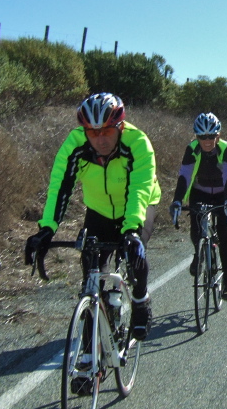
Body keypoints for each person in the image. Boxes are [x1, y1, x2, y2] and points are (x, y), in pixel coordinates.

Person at [24, 93, 161, 339]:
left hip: (138, 206)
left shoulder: (138, 142)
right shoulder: (75, 145)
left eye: (107, 131)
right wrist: (46, 229)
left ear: (120, 127)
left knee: (135, 256)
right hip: (99, 211)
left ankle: (140, 299)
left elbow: (140, 190)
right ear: (84, 130)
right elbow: (60, 187)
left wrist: (131, 231)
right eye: (93, 133)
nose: (101, 140)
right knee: (91, 276)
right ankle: (88, 353)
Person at [170, 112, 227, 300]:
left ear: (218, 135)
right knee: (196, 229)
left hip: (224, 194)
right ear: (196, 137)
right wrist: (177, 201)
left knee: (224, 232)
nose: (207, 141)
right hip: (200, 191)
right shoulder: (191, 150)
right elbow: (184, 176)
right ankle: (199, 254)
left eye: (211, 136)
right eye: (202, 137)